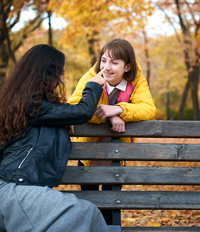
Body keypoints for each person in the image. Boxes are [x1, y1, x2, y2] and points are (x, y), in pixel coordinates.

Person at [0, 44, 121, 232]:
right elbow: (83, 111)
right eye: (59, 73)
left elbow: (65, 114)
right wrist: (93, 84)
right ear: (45, 75)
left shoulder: (27, 104)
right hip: (15, 190)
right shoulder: (31, 106)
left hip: (22, 189)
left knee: (85, 215)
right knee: (85, 212)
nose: (62, 78)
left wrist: (63, 120)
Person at [68, 38, 156, 223]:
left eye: (114, 62)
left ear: (127, 67)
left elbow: (148, 109)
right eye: (104, 60)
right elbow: (75, 106)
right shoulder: (92, 75)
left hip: (117, 155)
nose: (106, 67)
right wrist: (108, 114)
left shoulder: (136, 81)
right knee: (89, 204)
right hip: (88, 154)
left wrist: (120, 109)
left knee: (111, 206)